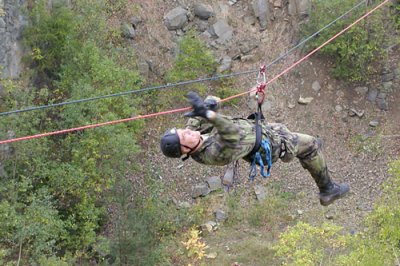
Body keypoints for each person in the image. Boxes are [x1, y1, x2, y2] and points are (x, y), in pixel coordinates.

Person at [160, 92, 349, 206]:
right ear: (185, 151)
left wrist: (208, 104)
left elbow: (199, 116)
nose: (189, 132)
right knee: (311, 146)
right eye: (185, 136)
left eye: (184, 131)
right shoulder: (212, 154)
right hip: (272, 146)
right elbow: (231, 132)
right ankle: (327, 190)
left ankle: (312, 158)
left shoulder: (192, 137)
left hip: (262, 130)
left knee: (307, 142)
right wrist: (209, 113)